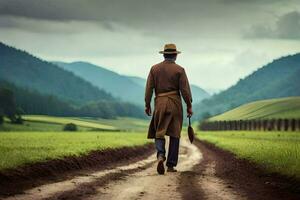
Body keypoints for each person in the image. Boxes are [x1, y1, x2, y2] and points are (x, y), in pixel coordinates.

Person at [145, 43, 193, 175]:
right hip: (175, 103)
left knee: (159, 131)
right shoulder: (180, 70)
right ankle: (171, 165)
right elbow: (185, 91)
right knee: (174, 133)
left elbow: (149, 88)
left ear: (164, 55)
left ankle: (160, 155)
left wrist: (147, 104)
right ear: (175, 55)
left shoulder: (154, 69)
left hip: (160, 102)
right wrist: (189, 106)